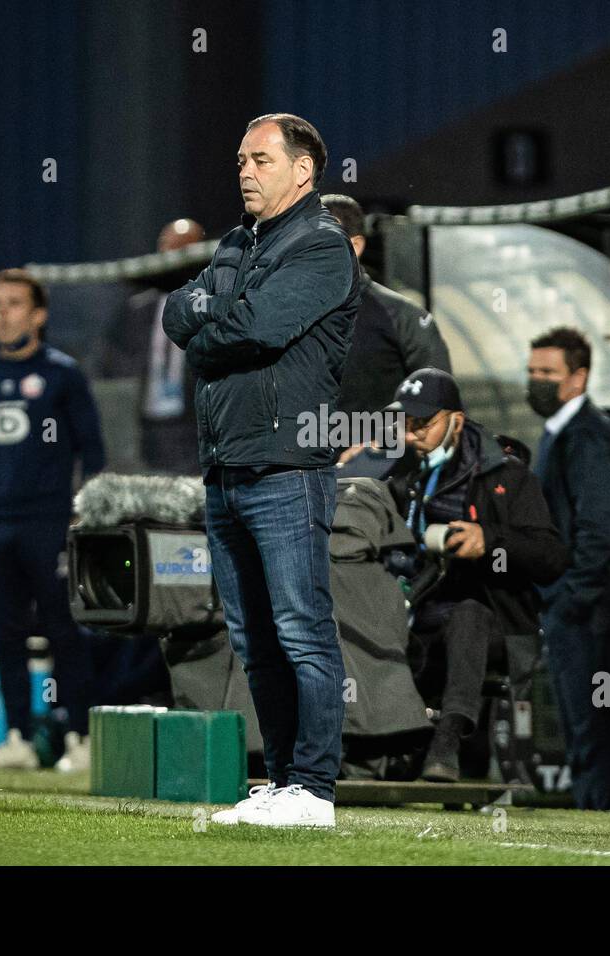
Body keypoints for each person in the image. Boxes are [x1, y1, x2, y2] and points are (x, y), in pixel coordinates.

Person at [162, 113, 361, 828]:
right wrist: (215, 316)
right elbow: (173, 311)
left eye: (260, 159)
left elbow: (256, 328)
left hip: (285, 466)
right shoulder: (234, 242)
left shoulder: (322, 245)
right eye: (241, 159)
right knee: (253, 638)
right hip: (226, 466)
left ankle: (314, 788)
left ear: (303, 171)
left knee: (301, 628)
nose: (244, 170)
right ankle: (284, 784)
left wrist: (212, 320)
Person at [0, 268, 106, 772]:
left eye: (13, 303)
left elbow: (92, 450)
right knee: (5, 633)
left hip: (48, 521)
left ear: (38, 315)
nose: (2, 313)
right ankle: (18, 738)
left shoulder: (62, 374)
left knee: (63, 629)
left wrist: (87, 511)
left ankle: (79, 737)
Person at [378, 368, 568, 781]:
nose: (411, 435)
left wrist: (492, 540)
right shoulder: (405, 474)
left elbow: (552, 558)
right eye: (404, 425)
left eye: (422, 424)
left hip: (498, 625)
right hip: (421, 619)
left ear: (457, 421)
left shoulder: (508, 476)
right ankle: (367, 752)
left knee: (468, 613)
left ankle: (446, 742)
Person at [529, 326, 610, 812]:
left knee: (590, 726)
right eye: (531, 372)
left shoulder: (584, 437)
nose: (536, 381)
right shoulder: (565, 433)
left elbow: (601, 529)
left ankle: (603, 814)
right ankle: (603, 812)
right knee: (586, 725)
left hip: (589, 613)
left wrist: (570, 598)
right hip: (584, 608)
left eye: (547, 372)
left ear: (578, 377)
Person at [320, 195, 450, 422]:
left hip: (382, 455)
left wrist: (376, 448)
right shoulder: (279, 316)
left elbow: (438, 403)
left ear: (356, 246)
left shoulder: (401, 317)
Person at [99, 218, 207, 473]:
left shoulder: (211, 306)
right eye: (166, 248)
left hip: (193, 427)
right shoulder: (136, 311)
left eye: (181, 250)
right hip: (144, 429)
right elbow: (111, 362)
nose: (171, 258)